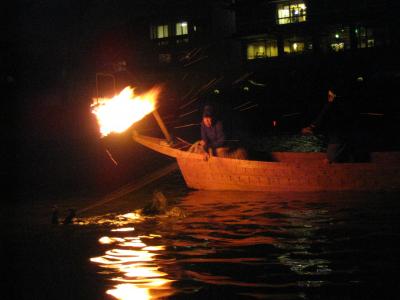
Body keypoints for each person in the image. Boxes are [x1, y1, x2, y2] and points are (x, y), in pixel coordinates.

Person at [302, 88, 356, 163]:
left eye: (330, 96)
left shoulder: (333, 107)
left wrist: (312, 127)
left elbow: (323, 115)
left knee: (330, 160)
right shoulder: (340, 107)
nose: (329, 98)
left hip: (338, 139)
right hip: (341, 138)